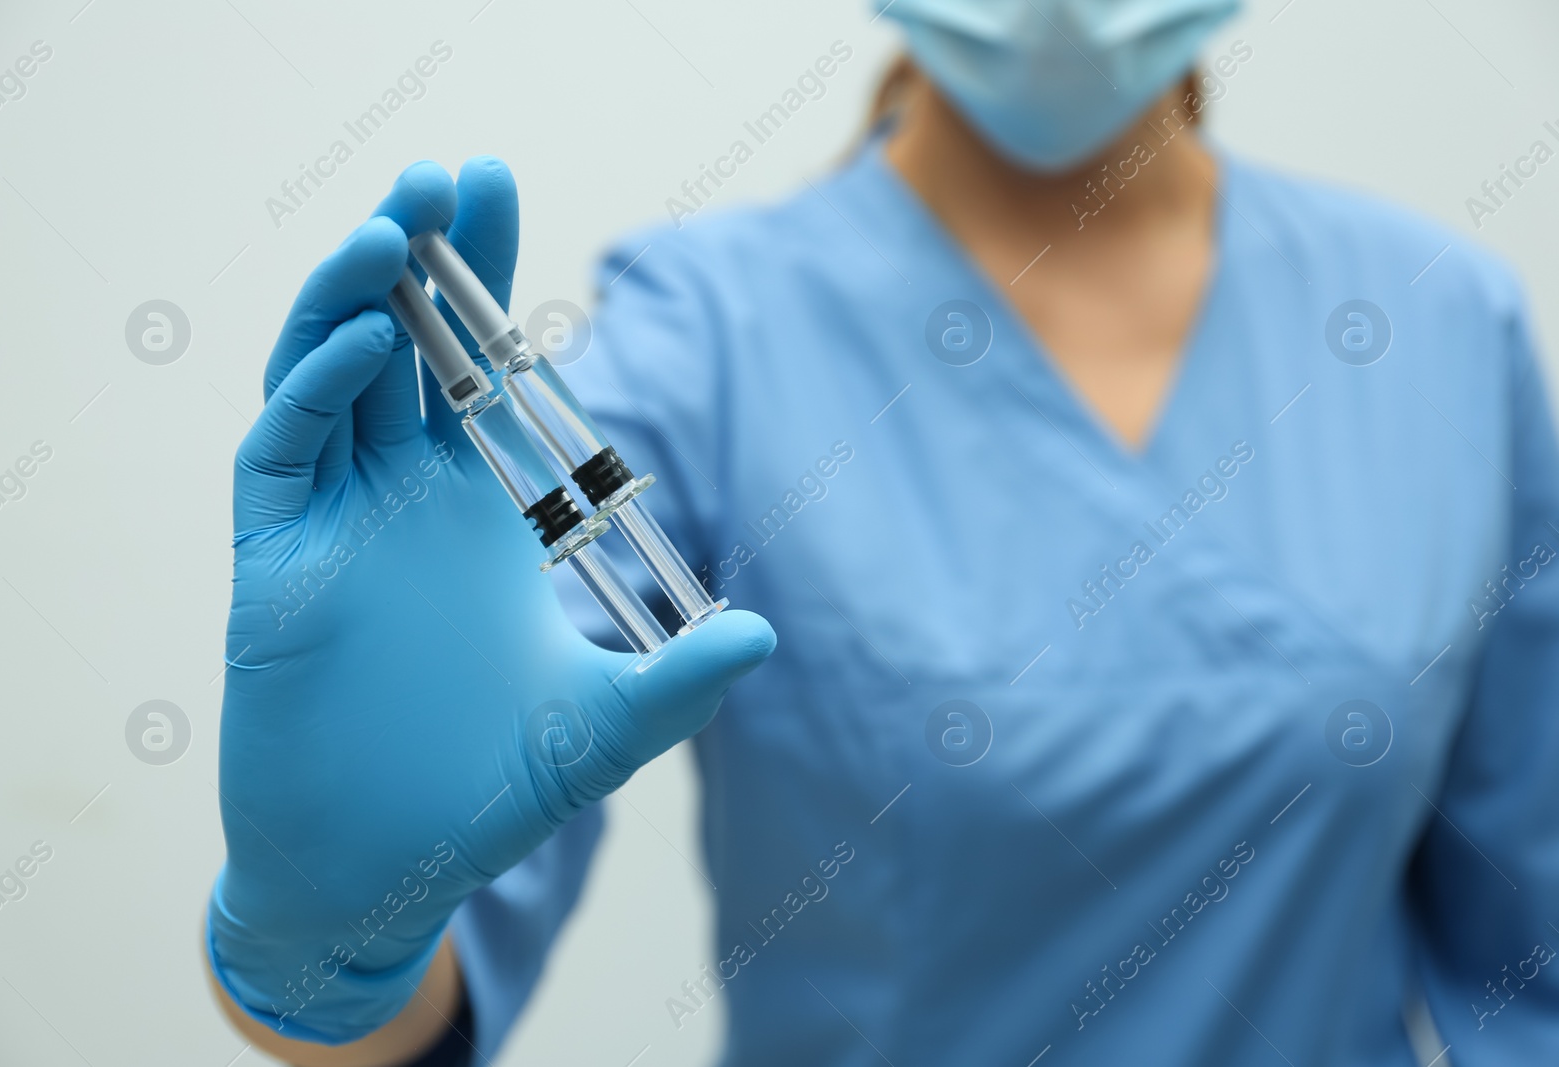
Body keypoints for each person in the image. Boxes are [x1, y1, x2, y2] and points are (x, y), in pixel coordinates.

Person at [205, 0, 1559, 1063]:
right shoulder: (710, 337)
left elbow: (1536, 965)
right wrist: (330, 931)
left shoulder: (1437, 323)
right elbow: (400, 985)